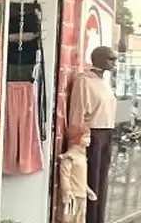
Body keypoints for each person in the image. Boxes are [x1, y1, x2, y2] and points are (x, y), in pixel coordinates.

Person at [69, 45, 118, 223]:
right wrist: (77, 141)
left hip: (107, 133)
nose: (114, 63)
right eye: (111, 59)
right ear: (98, 59)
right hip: (92, 135)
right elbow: (77, 112)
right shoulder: (84, 81)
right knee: (91, 180)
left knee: (102, 181)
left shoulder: (104, 83)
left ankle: (98, 219)